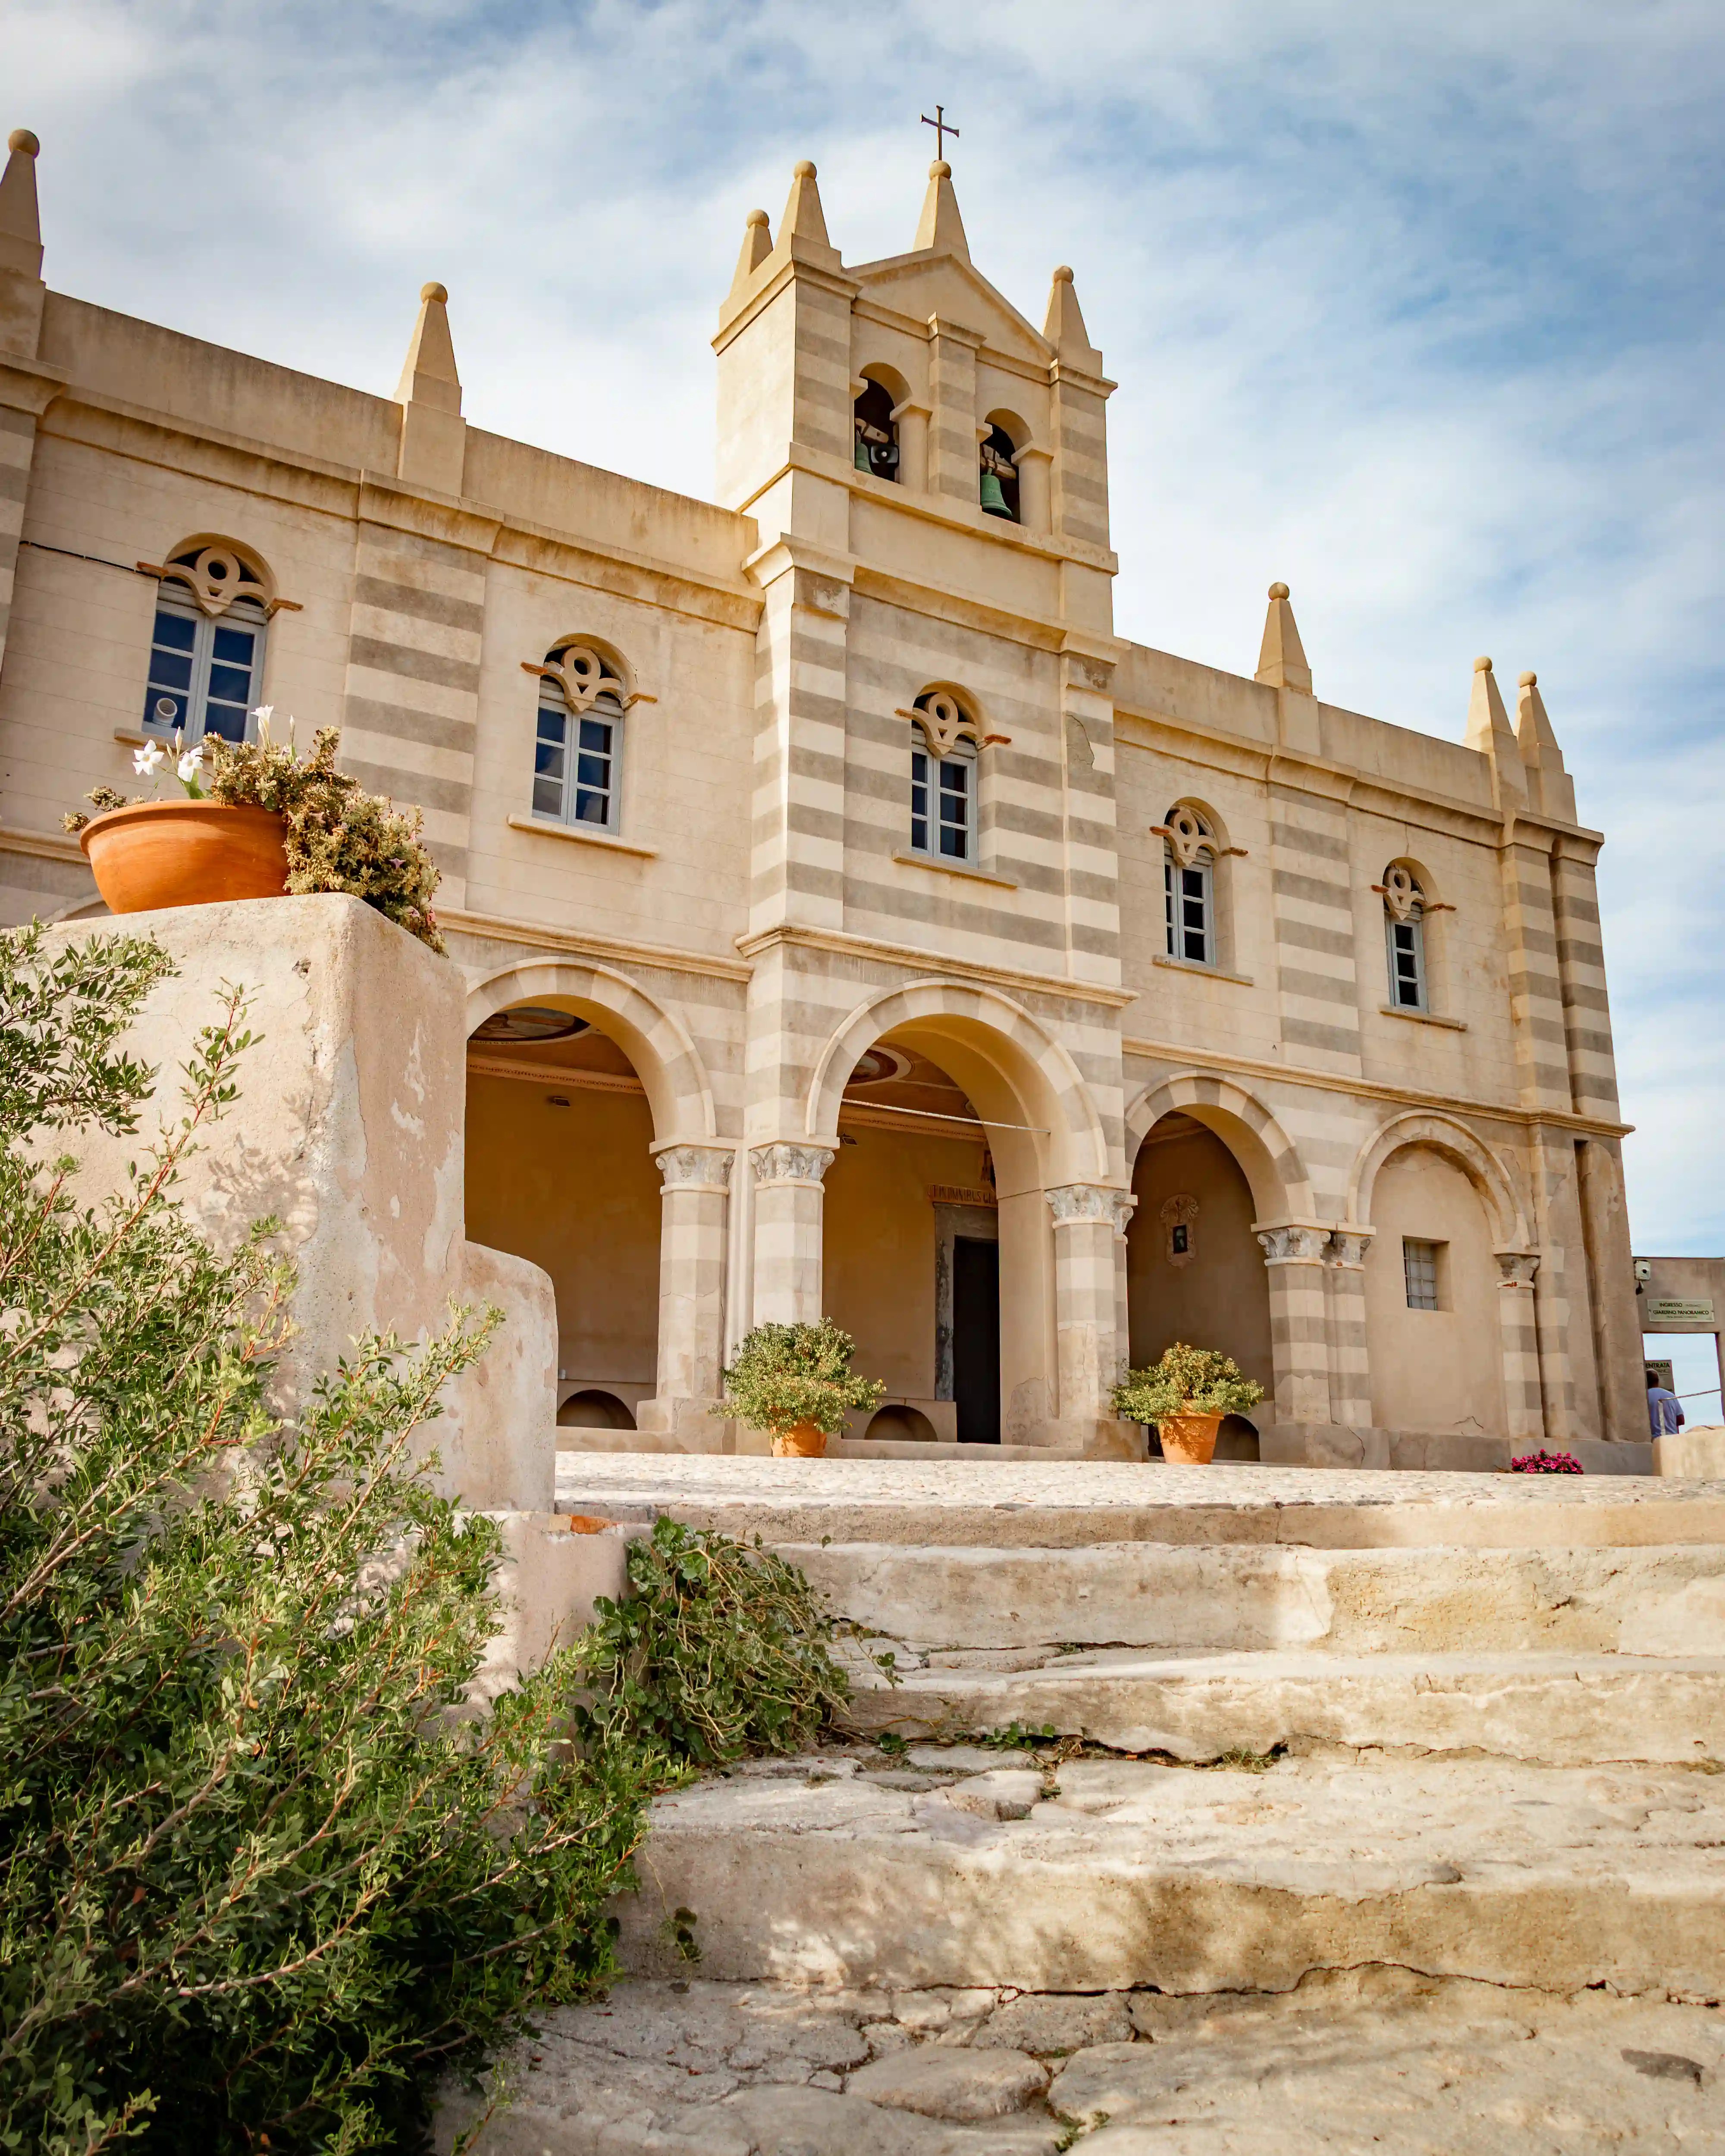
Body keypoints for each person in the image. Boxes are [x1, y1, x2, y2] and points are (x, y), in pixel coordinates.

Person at [1647, 1369, 1685, 1438]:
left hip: (1654, 1440)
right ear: (1658, 1381)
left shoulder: (1645, 1397)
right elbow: (1681, 1420)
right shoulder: (1671, 1396)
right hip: (1672, 1439)